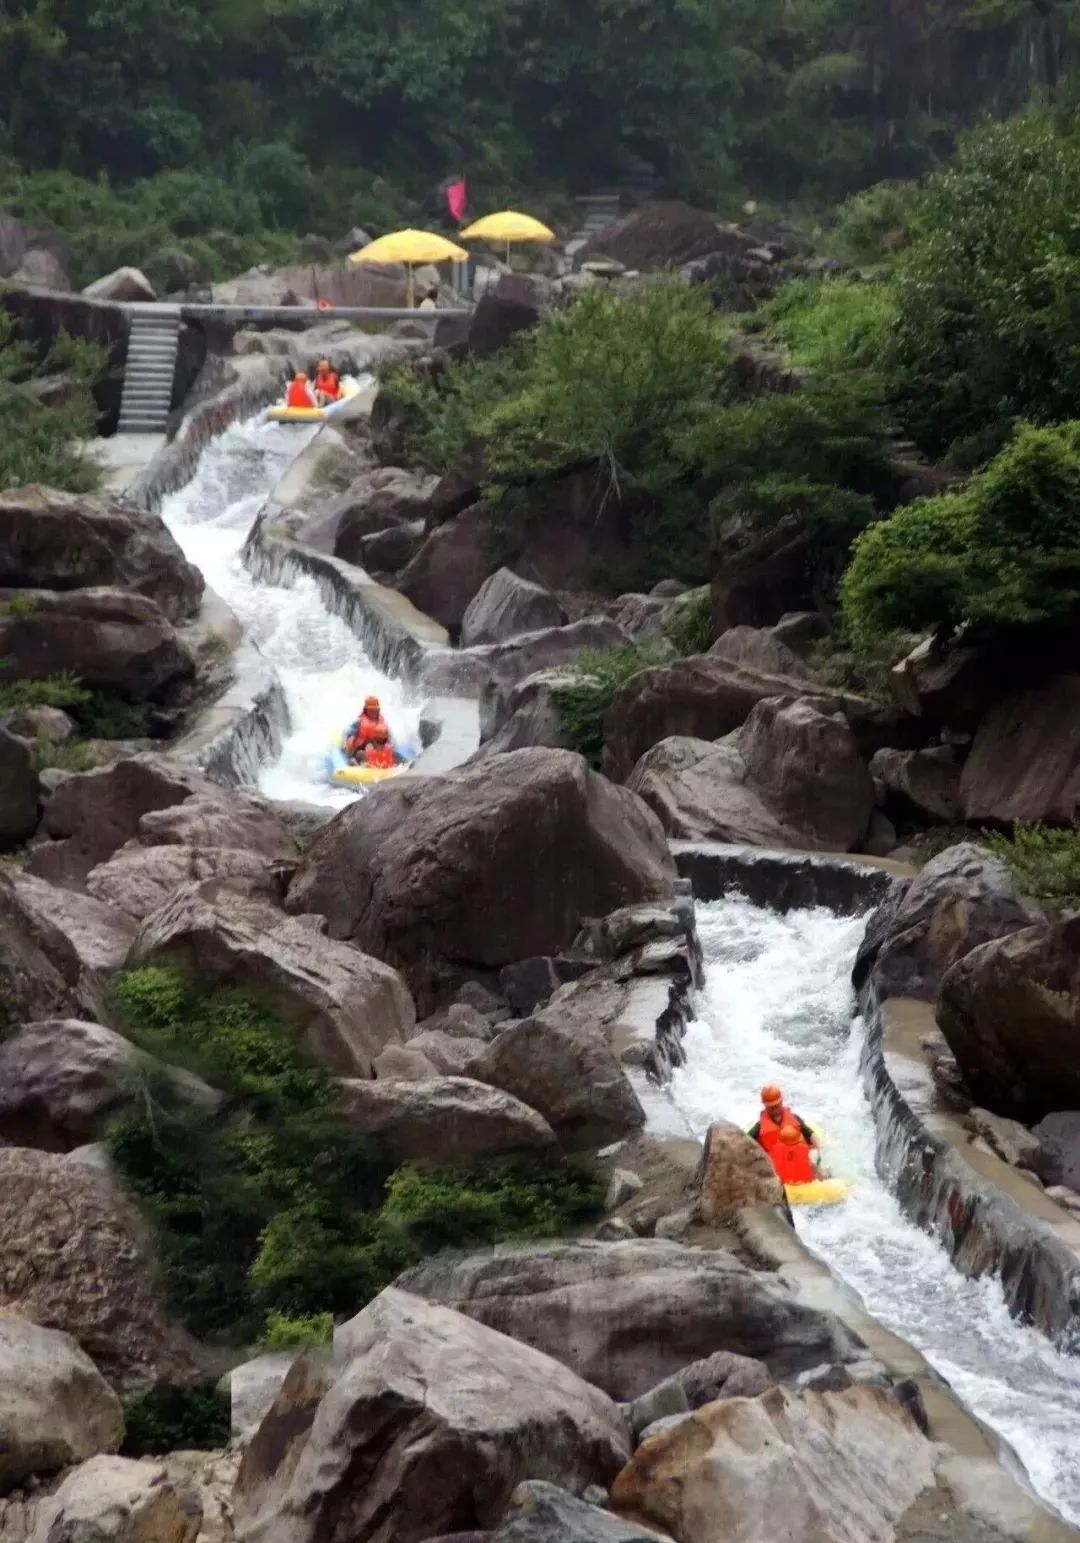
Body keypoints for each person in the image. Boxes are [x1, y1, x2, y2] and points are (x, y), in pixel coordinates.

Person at [749, 1084, 821, 1183]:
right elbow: (746, 1141)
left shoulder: (794, 1118)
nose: (775, 1110)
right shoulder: (759, 1127)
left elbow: (811, 1135)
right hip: (776, 1168)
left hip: (797, 1161)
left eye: (776, 1105)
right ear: (765, 1106)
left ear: (781, 1102)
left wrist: (817, 1152)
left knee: (817, 1164)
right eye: (771, 1107)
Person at [345, 695, 390, 759]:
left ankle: (404, 763)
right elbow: (350, 738)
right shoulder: (358, 723)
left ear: (378, 710)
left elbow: (388, 738)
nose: (373, 712)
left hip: (379, 749)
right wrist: (349, 749)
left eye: (375, 710)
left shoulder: (382, 722)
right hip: (362, 749)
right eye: (370, 710)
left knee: (388, 748)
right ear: (365, 710)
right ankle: (366, 762)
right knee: (369, 746)